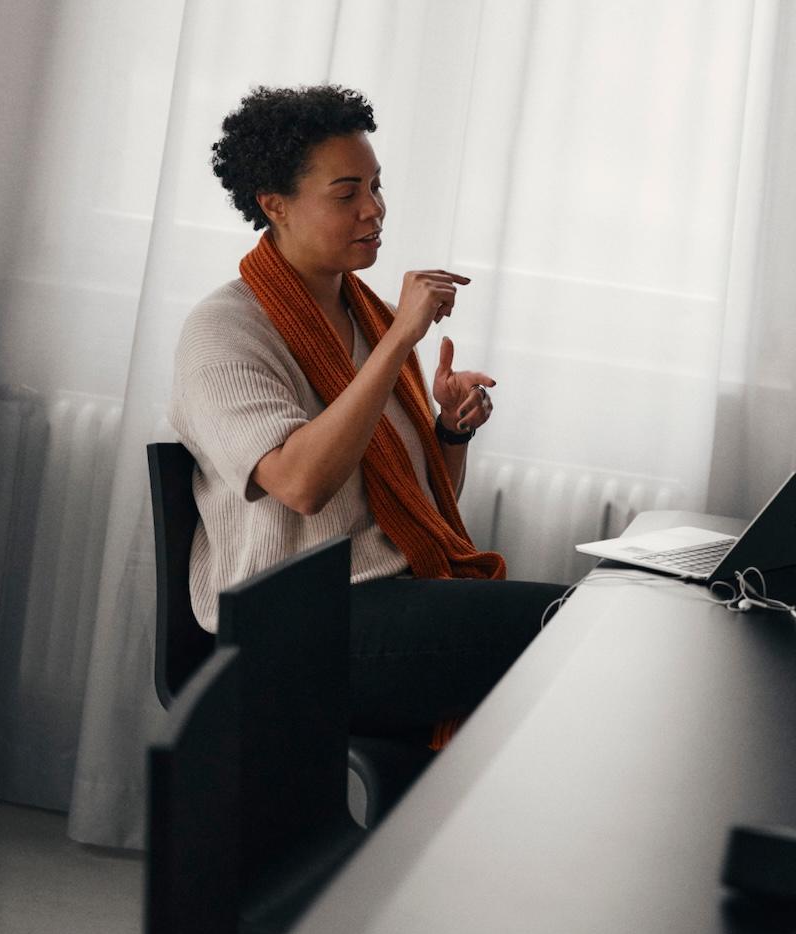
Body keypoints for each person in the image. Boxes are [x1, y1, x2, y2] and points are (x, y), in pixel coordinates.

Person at [170, 84, 565, 743]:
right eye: (346, 192)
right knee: (565, 626)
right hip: (292, 625)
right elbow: (301, 484)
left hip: (387, 598)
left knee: (572, 634)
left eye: (377, 187)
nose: (374, 209)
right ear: (276, 206)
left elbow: (411, 508)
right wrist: (396, 345)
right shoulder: (223, 332)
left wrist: (449, 429)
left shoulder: (366, 316)